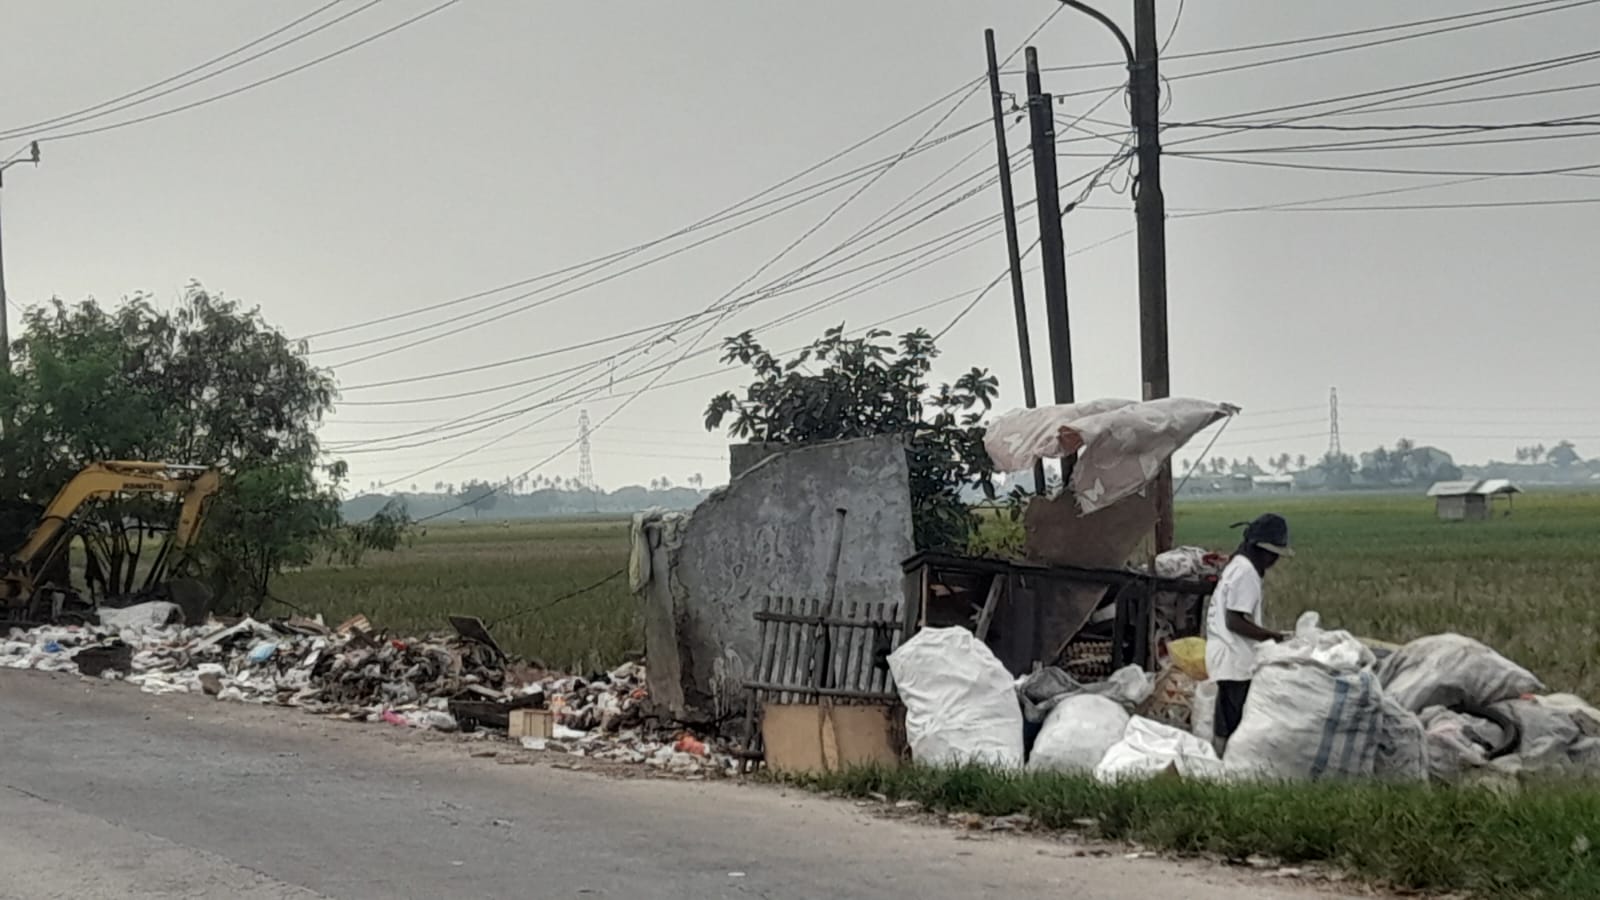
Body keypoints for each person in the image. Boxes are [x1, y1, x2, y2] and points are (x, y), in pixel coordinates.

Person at [1205, 512, 1294, 748]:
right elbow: (1235, 621)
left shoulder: (1238, 565)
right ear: (1261, 549)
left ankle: (1222, 767)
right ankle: (1230, 771)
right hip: (1235, 660)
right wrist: (1274, 637)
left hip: (1226, 657)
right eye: (1273, 554)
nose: (1275, 561)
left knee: (1226, 722)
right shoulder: (1247, 573)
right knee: (1236, 726)